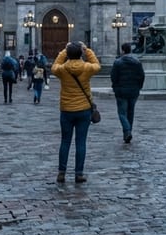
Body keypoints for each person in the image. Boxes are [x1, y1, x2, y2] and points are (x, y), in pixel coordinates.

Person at [51, 42, 101, 183]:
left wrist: (63, 51)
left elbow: (54, 66)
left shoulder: (62, 69)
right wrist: (87, 50)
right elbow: (97, 65)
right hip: (84, 109)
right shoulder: (86, 68)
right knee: (81, 142)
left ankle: (61, 172)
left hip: (66, 109)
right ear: (81, 53)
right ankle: (79, 173)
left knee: (65, 142)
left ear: (68, 54)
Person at [110, 42, 146, 143]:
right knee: (131, 112)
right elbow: (141, 76)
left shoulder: (118, 62)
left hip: (121, 91)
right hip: (134, 90)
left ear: (122, 50)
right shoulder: (137, 62)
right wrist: (139, 87)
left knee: (122, 113)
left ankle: (127, 131)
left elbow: (113, 76)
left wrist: (115, 87)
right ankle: (128, 131)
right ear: (130, 50)